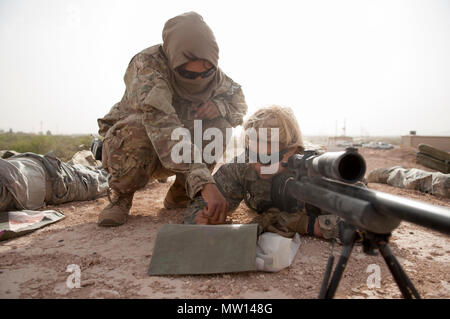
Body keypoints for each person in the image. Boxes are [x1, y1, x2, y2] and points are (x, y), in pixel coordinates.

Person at [97, 12, 247, 226]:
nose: (199, 80)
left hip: (181, 153)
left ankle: (182, 193)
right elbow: (162, 124)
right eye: (190, 75)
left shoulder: (217, 76)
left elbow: (240, 104)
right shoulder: (148, 66)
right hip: (140, 146)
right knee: (138, 127)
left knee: (220, 126)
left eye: (206, 74)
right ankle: (122, 196)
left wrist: (219, 106)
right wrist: (204, 182)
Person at [184, 105, 345, 241]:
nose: (259, 166)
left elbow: (362, 219)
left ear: (292, 150)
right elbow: (200, 205)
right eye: (252, 154)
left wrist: (308, 225)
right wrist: (203, 217)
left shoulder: (317, 168)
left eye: (269, 157)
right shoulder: (242, 166)